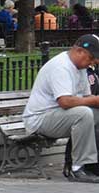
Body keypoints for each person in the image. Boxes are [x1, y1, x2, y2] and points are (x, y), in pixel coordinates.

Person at [23, 34, 99, 183]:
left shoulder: (80, 68)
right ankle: (77, 167)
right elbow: (65, 101)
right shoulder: (61, 66)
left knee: (92, 114)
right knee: (83, 114)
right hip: (40, 119)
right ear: (79, 51)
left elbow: (86, 98)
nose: (91, 63)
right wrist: (95, 100)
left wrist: (94, 102)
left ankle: (92, 165)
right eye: (90, 58)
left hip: (60, 116)